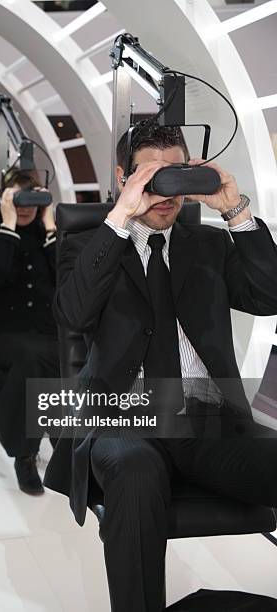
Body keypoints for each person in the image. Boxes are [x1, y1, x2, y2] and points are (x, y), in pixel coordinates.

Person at [44, 120, 277, 612]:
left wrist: (235, 209)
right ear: (124, 176)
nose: (165, 192)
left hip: (208, 421)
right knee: (135, 471)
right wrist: (123, 213)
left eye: (176, 176)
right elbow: (73, 314)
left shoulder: (210, 246)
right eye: (151, 177)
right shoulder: (89, 246)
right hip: (123, 419)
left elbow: (270, 295)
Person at [0, 170, 60, 495]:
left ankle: (61, 438)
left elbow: (67, 280)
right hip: (1, 335)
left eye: (32, 199)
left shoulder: (46, 235)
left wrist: (50, 224)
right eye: (17, 199)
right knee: (33, 357)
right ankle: (25, 454)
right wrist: (8, 223)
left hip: (44, 332)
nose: (26, 207)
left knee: (59, 353)